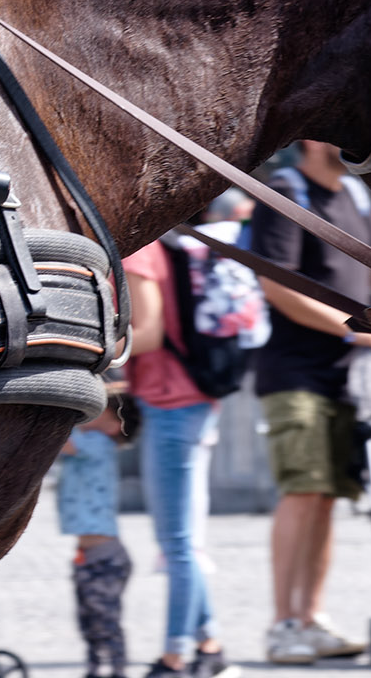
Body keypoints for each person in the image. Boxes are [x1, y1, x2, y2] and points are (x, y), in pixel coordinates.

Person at [248, 140, 371, 664]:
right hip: (296, 374)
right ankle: (283, 624)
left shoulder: (352, 198)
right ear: (311, 141)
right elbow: (277, 285)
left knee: (328, 497)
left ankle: (311, 618)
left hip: (346, 378)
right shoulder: (286, 193)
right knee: (304, 492)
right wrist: (356, 331)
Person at [124, 242, 236, 678]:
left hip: (173, 401)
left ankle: (176, 657)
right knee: (180, 536)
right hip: (185, 398)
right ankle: (210, 644)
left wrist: (88, 346)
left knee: (178, 543)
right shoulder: (157, 246)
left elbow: (147, 331)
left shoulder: (139, 251)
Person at [58, 389, 140, 678]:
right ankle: (98, 669)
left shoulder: (98, 444)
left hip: (104, 559)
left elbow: (60, 442)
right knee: (90, 622)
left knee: (104, 622)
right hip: (92, 556)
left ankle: (114, 670)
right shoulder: (91, 443)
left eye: (100, 410)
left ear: (114, 425)